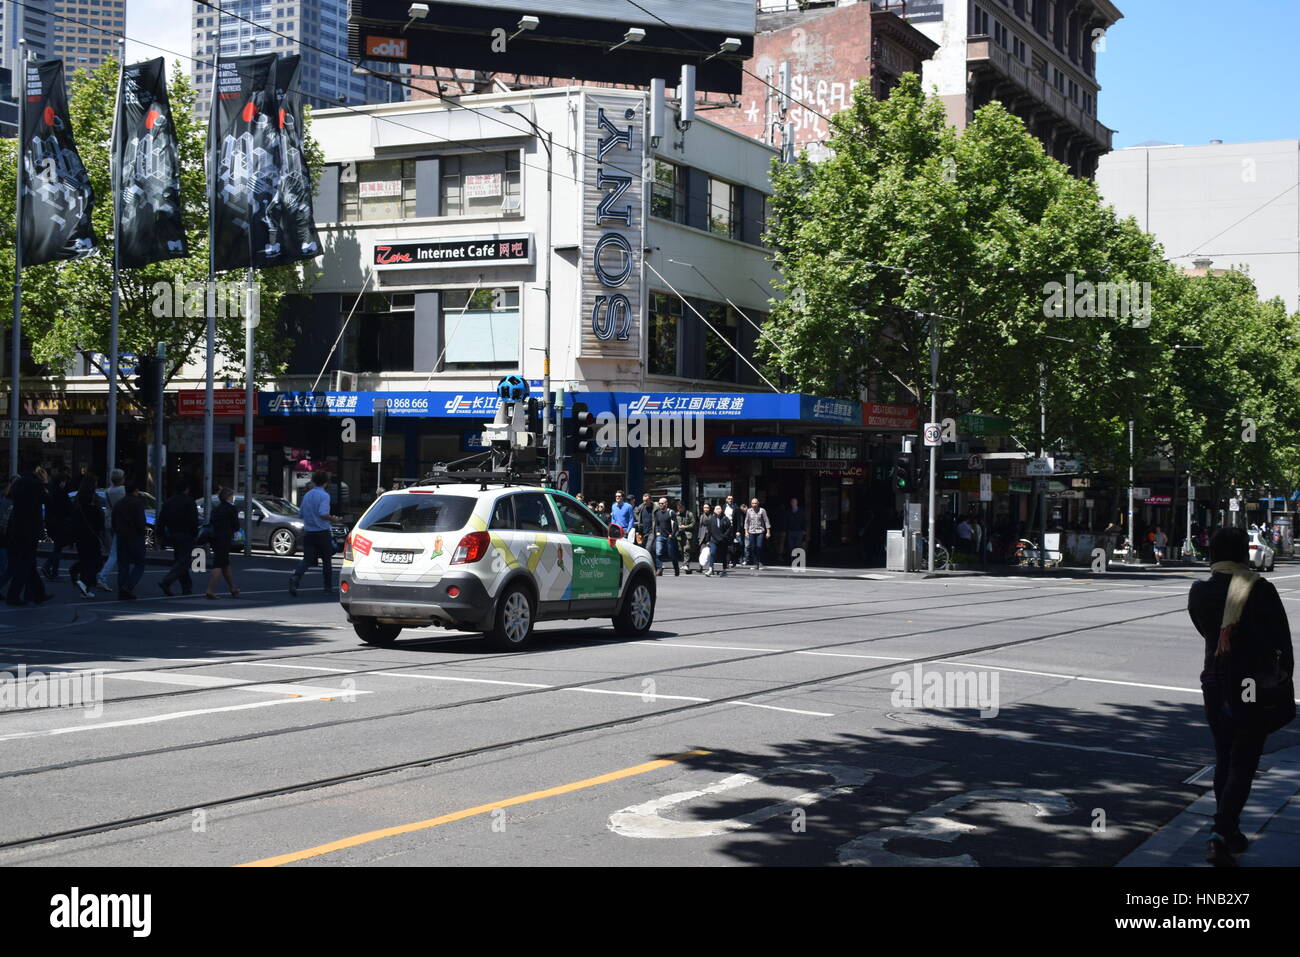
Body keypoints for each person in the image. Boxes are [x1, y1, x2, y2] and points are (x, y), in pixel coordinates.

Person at [1188, 527, 1295, 865]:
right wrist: (1283, 679)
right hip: (1250, 686)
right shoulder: (1261, 590)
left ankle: (1228, 830)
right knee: (1244, 759)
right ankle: (1221, 832)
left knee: (1224, 755)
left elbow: (1207, 632)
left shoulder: (1199, 592)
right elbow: (1282, 643)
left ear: (1212, 555)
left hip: (1214, 681)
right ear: (1243, 555)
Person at [289, 470, 343, 596]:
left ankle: (296, 577)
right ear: (326, 482)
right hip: (322, 532)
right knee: (326, 560)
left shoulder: (308, 495)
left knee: (307, 559)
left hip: (309, 532)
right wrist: (334, 519)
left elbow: (300, 514)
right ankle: (327, 587)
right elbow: (323, 513)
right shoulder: (324, 495)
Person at [5, 462, 51, 606]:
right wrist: (45, 483)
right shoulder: (36, 484)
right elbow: (47, 500)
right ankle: (13, 595)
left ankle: (39, 593)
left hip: (17, 527)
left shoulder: (18, 483)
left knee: (29, 563)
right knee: (25, 563)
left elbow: (10, 496)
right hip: (30, 528)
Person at [65, 475, 104, 599]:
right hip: (91, 535)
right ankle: (84, 582)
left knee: (85, 560)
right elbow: (98, 518)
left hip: (80, 535)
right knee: (96, 562)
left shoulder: (77, 500)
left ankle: (84, 588)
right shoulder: (92, 500)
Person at [157, 483, 199, 596]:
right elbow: (194, 520)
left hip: (173, 533)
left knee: (180, 560)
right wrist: (195, 534)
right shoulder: (189, 502)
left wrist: (160, 535)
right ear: (186, 489)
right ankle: (167, 581)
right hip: (186, 534)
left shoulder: (169, 502)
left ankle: (186, 587)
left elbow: (162, 519)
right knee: (183, 561)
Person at [112, 484, 149, 600]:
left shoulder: (118, 503)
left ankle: (122, 590)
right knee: (140, 563)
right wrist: (142, 533)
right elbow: (141, 522)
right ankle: (128, 586)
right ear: (136, 490)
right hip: (135, 536)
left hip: (121, 536)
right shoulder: (137, 503)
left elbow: (114, 521)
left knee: (123, 564)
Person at [205, 487, 242, 599]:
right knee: (218, 564)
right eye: (231, 496)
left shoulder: (216, 509)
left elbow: (211, 523)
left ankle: (233, 588)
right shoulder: (231, 509)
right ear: (228, 497)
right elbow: (236, 526)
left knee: (224, 564)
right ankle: (210, 590)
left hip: (215, 539)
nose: (233, 498)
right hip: (225, 539)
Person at [96, 469, 127, 592]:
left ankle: (107, 577)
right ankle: (102, 577)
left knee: (115, 552)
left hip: (111, 522)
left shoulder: (108, 491)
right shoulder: (123, 490)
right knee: (115, 554)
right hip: (122, 524)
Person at [41, 465, 71, 581]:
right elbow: (68, 508)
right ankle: (49, 567)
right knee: (58, 548)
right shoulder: (61, 494)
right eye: (64, 482)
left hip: (51, 523)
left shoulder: (51, 492)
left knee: (57, 547)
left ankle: (52, 570)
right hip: (60, 523)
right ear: (61, 482)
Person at [651, 496, 679, 576]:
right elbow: (657, 524)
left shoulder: (671, 512)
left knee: (672, 554)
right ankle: (659, 569)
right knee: (658, 552)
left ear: (666, 503)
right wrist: (657, 532)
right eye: (659, 503)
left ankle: (676, 569)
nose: (660, 505)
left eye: (662, 503)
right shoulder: (658, 513)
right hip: (660, 536)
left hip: (669, 537)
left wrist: (672, 534)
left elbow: (675, 525)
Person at [702, 504, 732, 577]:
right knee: (712, 553)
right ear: (714, 511)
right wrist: (708, 540)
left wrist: (725, 536)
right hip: (714, 540)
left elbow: (729, 528)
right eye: (717, 509)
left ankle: (724, 570)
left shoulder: (725, 519)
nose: (718, 510)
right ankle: (710, 569)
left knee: (723, 556)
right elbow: (709, 531)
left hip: (723, 540)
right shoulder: (711, 519)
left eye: (719, 509)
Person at [745, 497, 772, 570]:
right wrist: (746, 531)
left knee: (759, 546)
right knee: (753, 547)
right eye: (753, 503)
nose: (754, 505)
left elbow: (766, 520)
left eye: (755, 503)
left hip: (760, 531)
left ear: (758, 503)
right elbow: (746, 521)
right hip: (751, 531)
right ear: (751, 504)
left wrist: (768, 531)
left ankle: (760, 562)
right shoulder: (748, 511)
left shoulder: (762, 510)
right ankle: (755, 563)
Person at [675, 501, 696, 574]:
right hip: (679, 534)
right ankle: (684, 564)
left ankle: (686, 564)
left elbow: (693, 524)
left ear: (683, 507)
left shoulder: (689, 514)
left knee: (686, 549)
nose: (679, 509)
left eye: (680, 507)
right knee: (681, 549)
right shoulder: (676, 514)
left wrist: (685, 527)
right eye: (678, 508)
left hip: (687, 534)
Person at [785, 498, 807, 562]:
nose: (793, 503)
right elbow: (786, 521)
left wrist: (804, 530)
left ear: (797, 503)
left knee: (798, 545)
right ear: (790, 503)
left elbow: (804, 521)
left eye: (794, 502)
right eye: (792, 502)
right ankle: (792, 559)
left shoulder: (801, 511)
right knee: (790, 545)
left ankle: (797, 558)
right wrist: (786, 530)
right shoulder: (788, 512)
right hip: (790, 531)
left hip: (799, 531)